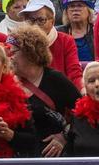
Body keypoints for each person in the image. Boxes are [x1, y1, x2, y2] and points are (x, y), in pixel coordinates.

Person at [8, 23, 80, 157]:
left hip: (51, 159)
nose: (10, 57)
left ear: (29, 52)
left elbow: (82, 112)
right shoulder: (7, 81)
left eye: (13, 52)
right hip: (18, 158)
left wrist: (64, 136)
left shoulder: (55, 79)